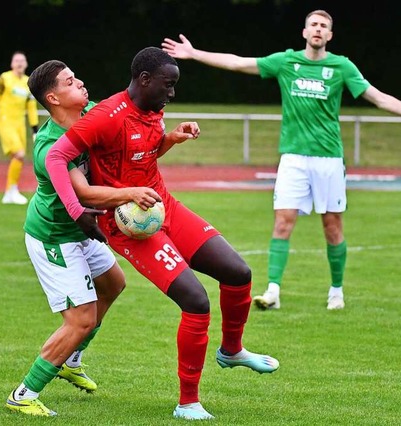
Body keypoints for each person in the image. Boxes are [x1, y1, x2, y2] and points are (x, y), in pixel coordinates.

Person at [162, 10, 401, 311]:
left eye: (323, 26)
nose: (317, 29)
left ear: (329, 36)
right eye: (313, 24)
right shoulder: (287, 62)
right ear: (305, 32)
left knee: (332, 227)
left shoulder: (341, 67)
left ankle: (336, 291)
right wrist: (194, 53)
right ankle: (273, 291)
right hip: (293, 159)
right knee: (282, 223)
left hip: (329, 160)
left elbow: (379, 98)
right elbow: (239, 62)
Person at [44, 47, 279, 421]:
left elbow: (143, 154)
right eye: (168, 86)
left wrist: (171, 138)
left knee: (239, 273)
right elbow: (55, 157)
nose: (172, 93)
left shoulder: (154, 110)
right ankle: (188, 403)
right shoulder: (106, 116)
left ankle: (232, 350)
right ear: (145, 80)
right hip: (130, 225)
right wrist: (78, 210)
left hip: (163, 206)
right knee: (196, 300)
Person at [5, 60, 158, 417]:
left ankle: (72, 359)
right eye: (72, 82)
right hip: (54, 236)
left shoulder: (91, 112)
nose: (82, 83)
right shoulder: (49, 147)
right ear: (54, 98)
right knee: (81, 320)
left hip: (82, 229)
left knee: (113, 285)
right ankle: (23, 393)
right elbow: (85, 194)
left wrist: (168, 138)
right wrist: (131, 193)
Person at [0, 51, 39, 205]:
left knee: (18, 159)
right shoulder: (4, 78)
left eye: (22, 60)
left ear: (26, 64)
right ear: (12, 64)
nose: (19, 63)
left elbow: (32, 108)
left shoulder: (29, 83)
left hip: (20, 124)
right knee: (19, 154)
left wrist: (34, 129)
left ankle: (10, 192)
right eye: (16, 60)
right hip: (5, 121)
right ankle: (11, 190)